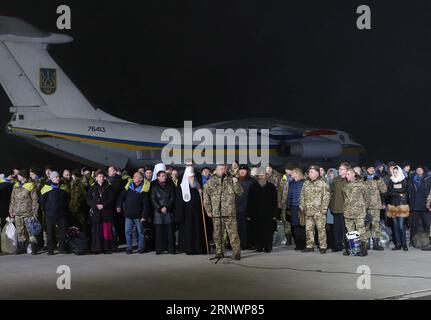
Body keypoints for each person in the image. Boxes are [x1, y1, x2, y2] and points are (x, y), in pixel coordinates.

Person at [203, 164, 243, 260]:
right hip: (217, 212)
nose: (223, 170)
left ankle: (236, 253)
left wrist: (236, 183)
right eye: (220, 169)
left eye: (224, 168)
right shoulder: (210, 182)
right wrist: (208, 210)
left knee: (233, 233)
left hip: (229, 212)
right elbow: (206, 197)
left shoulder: (231, 179)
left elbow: (240, 192)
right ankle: (219, 252)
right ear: (216, 170)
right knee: (217, 233)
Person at [175, 167, 206, 255]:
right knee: (188, 232)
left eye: (193, 177)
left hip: (197, 215)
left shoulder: (198, 187)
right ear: (186, 177)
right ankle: (189, 249)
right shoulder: (182, 188)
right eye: (190, 177)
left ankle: (199, 249)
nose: (192, 178)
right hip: (186, 216)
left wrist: (201, 192)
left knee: (198, 231)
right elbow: (179, 203)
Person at [117, 171, 150, 254]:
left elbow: (146, 204)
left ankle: (141, 248)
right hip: (128, 215)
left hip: (138, 216)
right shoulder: (129, 187)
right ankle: (129, 248)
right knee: (127, 232)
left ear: (141, 179)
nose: (134, 177)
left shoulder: (144, 189)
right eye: (134, 176)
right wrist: (118, 206)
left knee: (140, 232)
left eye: (136, 176)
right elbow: (121, 197)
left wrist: (144, 216)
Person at [299, 165, 330, 254]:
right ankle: (309, 246)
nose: (309, 173)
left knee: (321, 229)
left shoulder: (323, 183)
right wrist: (302, 206)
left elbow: (326, 197)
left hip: (319, 211)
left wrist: (323, 210)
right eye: (309, 172)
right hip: (308, 211)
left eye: (311, 171)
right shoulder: (306, 183)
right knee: (308, 229)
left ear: (317, 173)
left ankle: (323, 247)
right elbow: (302, 195)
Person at [246, 168, 278, 253]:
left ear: (266, 176)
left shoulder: (271, 187)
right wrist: (248, 214)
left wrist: (275, 214)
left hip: (268, 213)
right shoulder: (253, 187)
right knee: (257, 230)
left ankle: (268, 246)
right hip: (256, 213)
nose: (261, 177)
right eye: (259, 175)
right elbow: (249, 201)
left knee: (268, 231)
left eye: (263, 175)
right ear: (257, 176)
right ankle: (259, 246)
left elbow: (275, 201)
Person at [9, 169, 39, 254]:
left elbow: (35, 200)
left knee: (31, 231)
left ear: (23, 176)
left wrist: (35, 212)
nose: (17, 176)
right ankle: (22, 247)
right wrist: (11, 210)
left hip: (28, 212)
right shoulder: (16, 185)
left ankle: (34, 248)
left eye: (19, 175)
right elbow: (12, 199)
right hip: (17, 213)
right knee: (20, 231)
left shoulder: (31, 185)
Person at [40, 171, 69, 255]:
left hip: (61, 214)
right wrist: (46, 210)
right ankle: (50, 249)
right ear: (52, 178)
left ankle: (62, 248)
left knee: (62, 231)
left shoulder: (63, 187)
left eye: (58, 177)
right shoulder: (46, 188)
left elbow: (67, 199)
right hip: (50, 214)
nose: (58, 178)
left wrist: (65, 209)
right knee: (50, 232)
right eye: (56, 177)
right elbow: (42, 201)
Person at [87, 170, 115, 254]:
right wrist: (95, 205)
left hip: (106, 212)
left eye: (103, 176)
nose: (101, 178)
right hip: (96, 212)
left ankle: (107, 248)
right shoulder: (92, 187)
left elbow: (111, 199)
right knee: (96, 231)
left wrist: (103, 205)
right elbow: (88, 199)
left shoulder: (109, 187)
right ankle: (97, 248)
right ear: (96, 178)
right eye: (99, 176)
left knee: (106, 231)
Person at [342, 169, 369, 256]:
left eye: (348, 174)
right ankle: (354, 249)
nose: (347, 176)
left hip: (359, 212)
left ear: (354, 174)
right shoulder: (345, 185)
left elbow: (367, 197)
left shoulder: (361, 184)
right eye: (346, 174)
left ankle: (364, 249)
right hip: (348, 212)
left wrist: (364, 207)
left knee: (361, 230)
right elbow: (345, 199)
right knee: (350, 231)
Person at [150, 170, 176, 254]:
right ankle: (159, 249)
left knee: (170, 232)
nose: (164, 177)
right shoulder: (154, 186)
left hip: (168, 211)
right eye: (162, 176)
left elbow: (173, 198)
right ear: (158, 177)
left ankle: (171, 249)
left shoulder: (170, 186)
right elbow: (153, 199)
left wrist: (166, 207)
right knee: (159, 233)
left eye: (164, 176)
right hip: (158, 213)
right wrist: (160, 208)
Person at [363, 164, 387, 251]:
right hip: (365, 206)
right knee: (366, 225)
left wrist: (379, 180)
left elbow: (384, 190)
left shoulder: (379, 178)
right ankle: (366, 243)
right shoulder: (363, 179)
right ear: (366, 169)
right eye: (369, 168)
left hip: (376, 206)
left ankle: (376, 243)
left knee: (375, 225)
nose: (371, 169)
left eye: (372, 168)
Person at [386, 166, 409, 251]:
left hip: (402, 205)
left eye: (396, 172)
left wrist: (394, 192)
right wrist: (397, 193)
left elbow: (404, 190)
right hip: (393, 205)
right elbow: (389, 192)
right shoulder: (391, 180)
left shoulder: (403, 180)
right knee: (395, 226)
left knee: (401, 226)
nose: (395, 173)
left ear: (399, 172)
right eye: (394, 172)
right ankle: (398, 244)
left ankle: (404, 244)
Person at [329, 162, 350, 252]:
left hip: (346, 208)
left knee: (346, 228)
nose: (339, 170)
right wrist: (331, 204)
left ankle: (347, 245)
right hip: (336, 208)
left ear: (346, 170)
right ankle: (338, 244)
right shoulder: (335, 180)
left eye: (341, 169)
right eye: (339, 168)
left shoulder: (349, 180)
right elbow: (332, 192)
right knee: (337, 228)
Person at [408, 166, 431, 246]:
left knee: (427, 224)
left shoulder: (428, 179)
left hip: (425, 205)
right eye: (417, 169)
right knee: (414, 225)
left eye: (420, 169)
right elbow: (410, 192)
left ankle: (429, 241)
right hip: (415, 205)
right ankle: (412, 241)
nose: (419, 170)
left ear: (423, 171)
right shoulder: (412, 179)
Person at [235, 164, 255, 250]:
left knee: (249, 227)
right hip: (237, 208)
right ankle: (241, 244)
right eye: (240, 170)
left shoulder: (252, 181)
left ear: (247, 171)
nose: (242, 171)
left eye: (244, 170)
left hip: (249, 208)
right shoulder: (235, 181)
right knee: (239, 227)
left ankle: (249, 244)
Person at [107, 166, 126, 247]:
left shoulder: (117, 180)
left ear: (115, 171)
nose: (109, 172)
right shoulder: (112, 180)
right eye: (108, 171)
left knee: (118, 223)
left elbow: (115, 192)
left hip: (117, 205)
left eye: (111, 170)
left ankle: (121, 239)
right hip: (114, 204)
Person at [288, 168, 306, 250]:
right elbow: (289, 196)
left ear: (297, 173)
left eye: (293, 172)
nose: (291, 173)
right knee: (296, 226)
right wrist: (289, 207)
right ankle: (298, 244)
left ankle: (304, 243)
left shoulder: (304, 182)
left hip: (302, 207)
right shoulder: (291, 183)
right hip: (294, 207)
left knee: (302, 225)